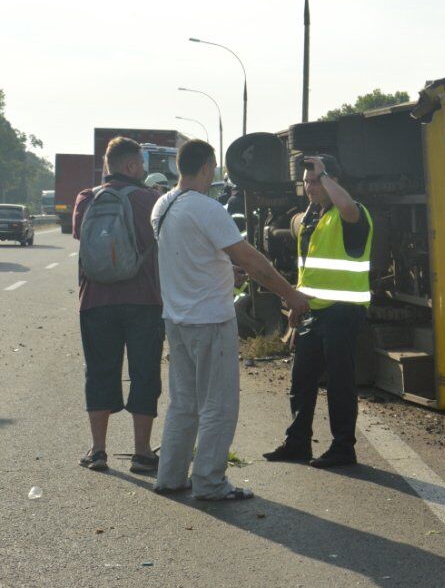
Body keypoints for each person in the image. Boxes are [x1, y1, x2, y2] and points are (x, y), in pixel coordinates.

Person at [151, 140, 310, 500]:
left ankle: (171, 476)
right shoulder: (207, 209)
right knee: (218, 406)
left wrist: (226, 271)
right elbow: (255, 262)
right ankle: (209, 482)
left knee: (183, 403)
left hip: (177, 319)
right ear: (207, 168)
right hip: (210, 319)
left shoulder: (163, 205)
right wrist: (291, 294)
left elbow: (191, 258)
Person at [264, 154, 372, 468]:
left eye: (316, 181)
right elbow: (310, 270)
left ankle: (343, 449)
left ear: (332, 181)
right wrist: (298, 305)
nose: (310, 188)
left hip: (343, 312)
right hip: (314, 312)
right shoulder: (316, 218)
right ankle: (297, 444)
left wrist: (325, 174)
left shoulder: (352, 213)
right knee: (302, 381)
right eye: (308, 181)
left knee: (339, 384)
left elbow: (349, 208)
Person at [72, 137, 163, 474]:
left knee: (99, 372)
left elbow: (83, 239)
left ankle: (98, 451)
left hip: (95, 301)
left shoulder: (85, 198)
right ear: (131, 166)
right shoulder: (149, 200)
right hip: (143, 302)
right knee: (144, 374)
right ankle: (142, 453)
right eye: (140, 163)